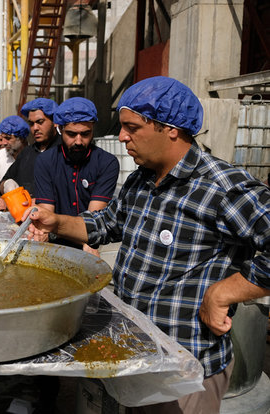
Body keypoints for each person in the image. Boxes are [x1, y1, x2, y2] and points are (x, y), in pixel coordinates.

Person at [25, 76, 270, 413]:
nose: (122, 136)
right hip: (140, 353)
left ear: (170, 128)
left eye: (132, 127)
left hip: (186, 367)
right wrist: (57, 223)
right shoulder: (142, 178)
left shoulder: (221, 187)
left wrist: (223, 293)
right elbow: (108, 224)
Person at [33, 97, 119, 249]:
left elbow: (94, 221)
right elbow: (46, 214)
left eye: (85, 134)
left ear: (93, 129)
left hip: (89, 241)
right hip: (54, 242)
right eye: (72, 134)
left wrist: (86, 244)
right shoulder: (45, 161)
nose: (78, 141)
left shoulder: (107, 163)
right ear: (60, 129)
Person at [0, 98, 60, 199]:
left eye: (40, 122)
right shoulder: (26, 153)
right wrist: (6, 186)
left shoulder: (64, 152)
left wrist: (42, 202)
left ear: (55, 122)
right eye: (31, 124)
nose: (35, 128)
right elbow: (3, 182)